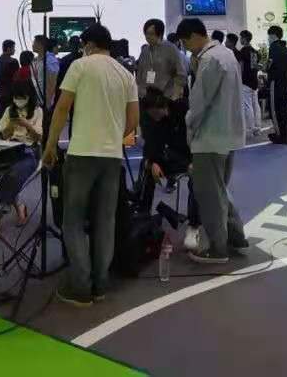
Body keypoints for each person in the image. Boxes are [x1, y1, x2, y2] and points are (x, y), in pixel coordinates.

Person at [42, 23, 138, 307]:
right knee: (105, 221)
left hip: (82, 153)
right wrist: (114, 136)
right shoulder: (125, 73)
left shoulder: (80, 66)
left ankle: (81, 286)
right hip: (112, 157)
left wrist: (50, 145)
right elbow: (133, 119)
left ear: (89, 44)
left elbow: (62, 107)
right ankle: (100, 284)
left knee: (72, 220)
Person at [174, 18, 248, 264]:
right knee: (220, 189)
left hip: (210, 136)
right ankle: (235, 235)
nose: (187, 49)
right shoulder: (227, 54)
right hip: (228, 135)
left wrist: (188, 125)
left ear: (195, 36)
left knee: (210, 195)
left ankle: (218, 248)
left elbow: (199, 103)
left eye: (186, 43)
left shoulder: (209, 60)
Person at [137, 86, 198, 227]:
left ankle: (194, 224)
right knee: (146, 167)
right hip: (168, 156)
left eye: (155, 113)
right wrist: (152, 162)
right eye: (151, 115)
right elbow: (151, 143)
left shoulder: (183, 108)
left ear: (163, 106)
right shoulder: (151, 119)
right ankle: (143, 215)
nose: (154, 118)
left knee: (197, 177)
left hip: (190, 155)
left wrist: (193, 161)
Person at [0, 80, 43, 224]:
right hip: (10, 149)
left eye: (22, 97)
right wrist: (11, 124)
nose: (18, 100)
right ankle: (19, 207)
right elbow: (3, 135)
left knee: (13, 174)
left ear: (29, 96)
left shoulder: (37, 111)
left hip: (30, 151)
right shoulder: (9, 110)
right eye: (16, 97)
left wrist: (27, 125)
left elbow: (39, 137)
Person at [136, 19, 185, 103]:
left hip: (166, 97)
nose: (148, 37)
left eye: (151, 34)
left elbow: (181, 74)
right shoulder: (145, 51)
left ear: (160, 34)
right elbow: (140, 73)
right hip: (145, 97)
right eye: (146, 34)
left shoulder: (171, 49)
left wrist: (175, 96)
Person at [265, 25, 287, 145]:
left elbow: (269, 65)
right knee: (283, 108)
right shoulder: (285, 48)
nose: (268, 38)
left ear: (273, 35)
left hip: (275, 82)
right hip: (285, 82)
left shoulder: (274, 47)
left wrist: (264, 68)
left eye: (269, 36)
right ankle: (285, 135)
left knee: (275, 110)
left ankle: (280, 135)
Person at [236, 30, 261, 135]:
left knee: (247, 105)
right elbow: (254, 66)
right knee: (255, 104)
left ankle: (251, 128)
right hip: (254, 81)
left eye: (241, 38)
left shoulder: (243, 51)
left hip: (245, 81)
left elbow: (241, 68)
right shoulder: (254, 51)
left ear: (244, 39)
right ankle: (257, 127)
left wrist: (239, 79)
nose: (240, 40)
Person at [32, 34, 58, 107]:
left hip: (46, 101)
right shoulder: (35, 60)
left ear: (41, 45)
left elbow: (53, 81)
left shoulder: (50, 60)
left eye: (34, 43)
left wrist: (48, 102)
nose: (32, 45)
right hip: (37, 100)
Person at [0, 39, 19, 113]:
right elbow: (17, 79)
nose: (14, 50)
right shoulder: (13, 62)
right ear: (8, 49)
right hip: (10, 94)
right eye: (13, 48)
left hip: (0, 94)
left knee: (1, 116)